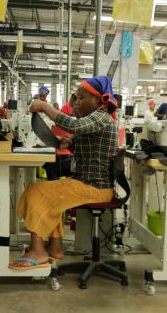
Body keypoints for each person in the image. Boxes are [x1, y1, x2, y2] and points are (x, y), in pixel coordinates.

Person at [9, 76, 118, 269]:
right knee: (51, 198)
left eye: (81, 98)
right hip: (89, 183)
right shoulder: (95, 119)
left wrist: (44, 106)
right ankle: (56, 247)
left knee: (36, 191)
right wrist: (69, 142)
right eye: (76, 98)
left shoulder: (101, 116)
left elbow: (73, 126)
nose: (76, 102)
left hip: (94, 187)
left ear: (98, 100)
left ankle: (38, 251)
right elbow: (85, 141)